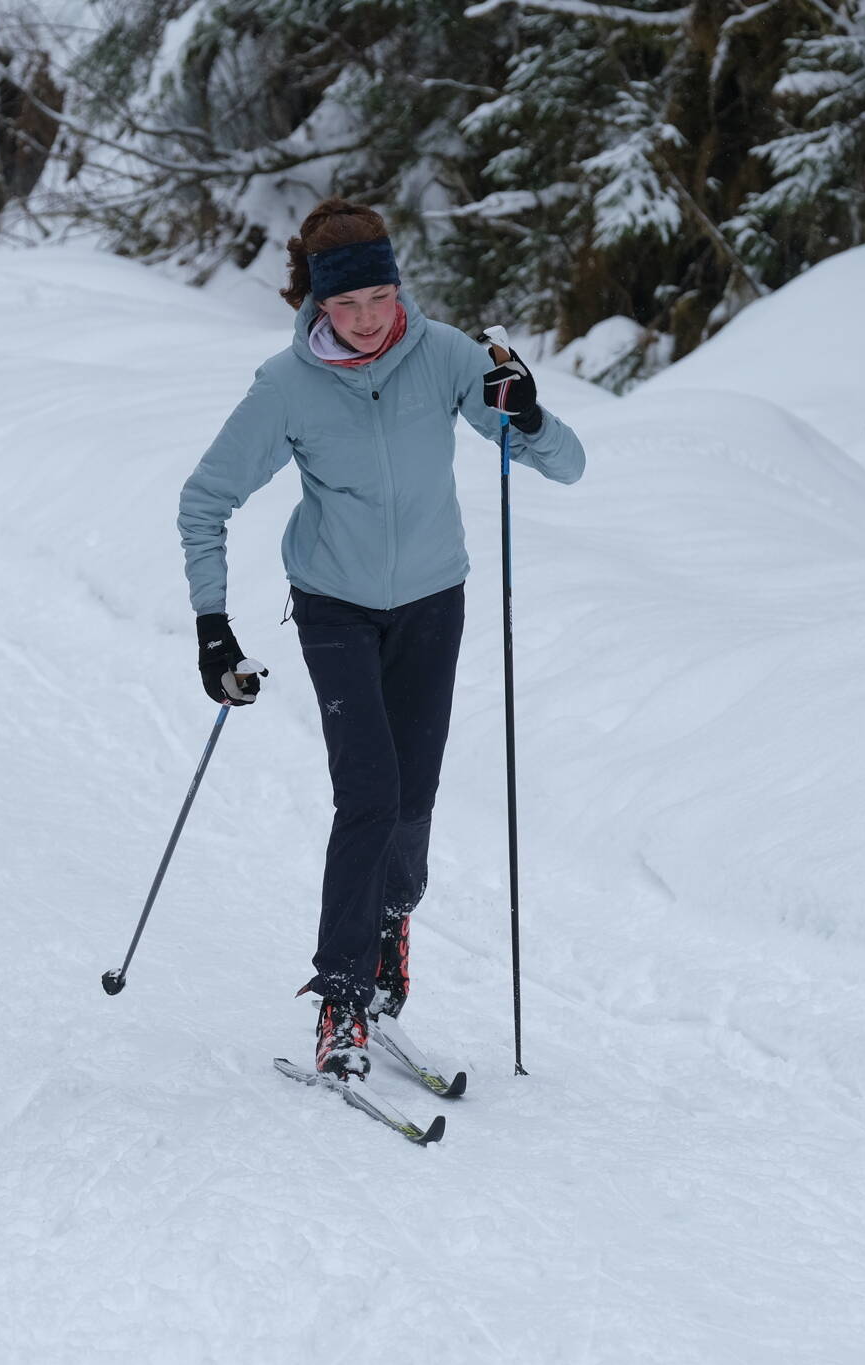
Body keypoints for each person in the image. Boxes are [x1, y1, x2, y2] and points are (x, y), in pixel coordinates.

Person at [177, 197, 585, 1080]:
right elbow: (203, 500)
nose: (366, 322)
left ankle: (388, 935)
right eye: (345, 305)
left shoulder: (444, 356)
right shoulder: (285, 386)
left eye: (379, 298)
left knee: (413, 799)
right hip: (336, 609)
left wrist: (530, 413)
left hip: (435, 602)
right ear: (317, 303)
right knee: (368, 792)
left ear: (400, 286)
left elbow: (566, 463)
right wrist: (213, 624)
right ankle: (339, 1000)